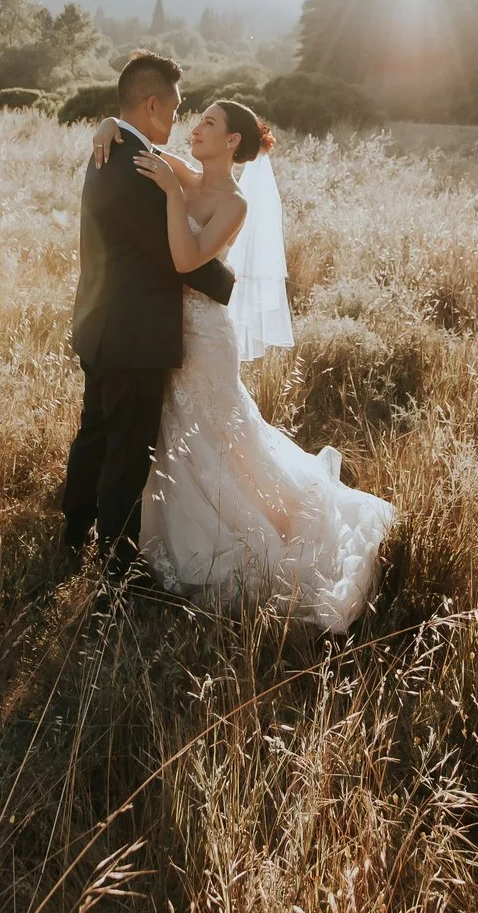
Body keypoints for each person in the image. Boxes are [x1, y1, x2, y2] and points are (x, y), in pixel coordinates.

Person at [90, 90, 395, 631]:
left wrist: (170, 199)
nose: (196, 128)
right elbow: (137, 138)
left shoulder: (234, 202)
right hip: (166, 328)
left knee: (215, 432)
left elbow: (186, 259)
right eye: (198, 119)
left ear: (232, 140)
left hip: (205, 335)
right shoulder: (187, 174)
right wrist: (108, 123)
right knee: (175, 429)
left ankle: (243, 533)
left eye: (208, 123)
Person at [61, 52, 235, 576]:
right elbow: (173, 255)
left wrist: (109, 120)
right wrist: (227, 285)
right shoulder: (135, 167)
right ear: (154, 103)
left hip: (101, 323)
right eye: (179, 107)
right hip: (133, 334)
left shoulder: (114, 149)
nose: (182, 118)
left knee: (94, 431)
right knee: (127, 451)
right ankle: (116, 569)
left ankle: (73, 533)